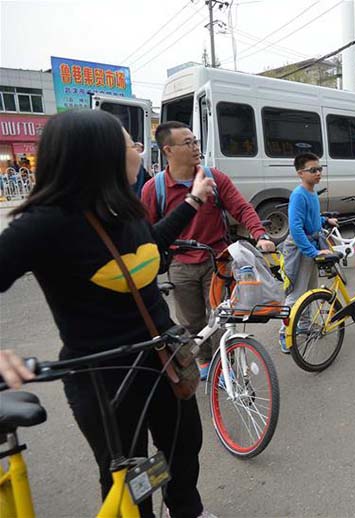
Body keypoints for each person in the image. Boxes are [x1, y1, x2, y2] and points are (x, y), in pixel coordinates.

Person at [0, 110, 215, 517]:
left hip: (161, 357)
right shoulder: (45, 224)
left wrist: (193, 201)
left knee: (183, 447)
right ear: (100, 155)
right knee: (125, 472)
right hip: (104, 379)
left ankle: (188, 510)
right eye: (129, 144)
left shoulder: (125, 207)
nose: (138, 150)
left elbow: (148, 247)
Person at [141, 122, 275, 378]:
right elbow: (146, 234)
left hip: (218, 260)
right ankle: (204, 362)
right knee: (192, 323)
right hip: (180, 264)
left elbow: (242, 208)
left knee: (222, 318)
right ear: (168, 150)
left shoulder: (215, 178)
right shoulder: (154, 188)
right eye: (188, 143)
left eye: (196, 141)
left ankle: (224, 368)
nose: (195, 148)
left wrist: (260, 234)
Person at [279, 152, 338, 352]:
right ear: (300, 173)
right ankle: (284, 333)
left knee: (310, 290)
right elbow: (295, 229)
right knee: (296, 293)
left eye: (320, 169)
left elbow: (311, 219)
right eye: (313, 170)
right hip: (299, 248)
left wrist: (324, 221)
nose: (318, 173)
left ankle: (302, 326)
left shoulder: (311, 192)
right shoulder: (298, 194)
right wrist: (312, 252)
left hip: (309, 245)